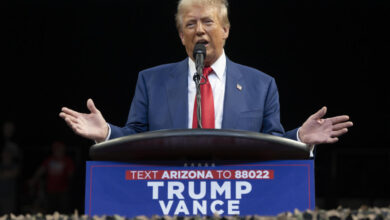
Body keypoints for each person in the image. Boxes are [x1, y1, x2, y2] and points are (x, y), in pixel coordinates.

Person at [59, 0, 353, 152]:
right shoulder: (151, 81)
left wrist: (300, 138)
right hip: (168, 199)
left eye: (208, 22)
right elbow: (137, 138)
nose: (199, 30)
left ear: (225, 30)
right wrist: (108, 133)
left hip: (238, 198)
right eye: (190, 24)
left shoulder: (261, 85)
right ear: (180, 35)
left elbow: (269, 144)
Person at [29, 141, 74, 214]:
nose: (58, 151)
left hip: (63, 191)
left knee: (64, 211)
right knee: (50, 211)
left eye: (60, 149)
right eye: (56, 149)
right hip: (50, 191)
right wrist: (33, 180)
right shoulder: (49, 160)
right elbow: (40, 171)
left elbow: (71, 175)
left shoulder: (67, 160)